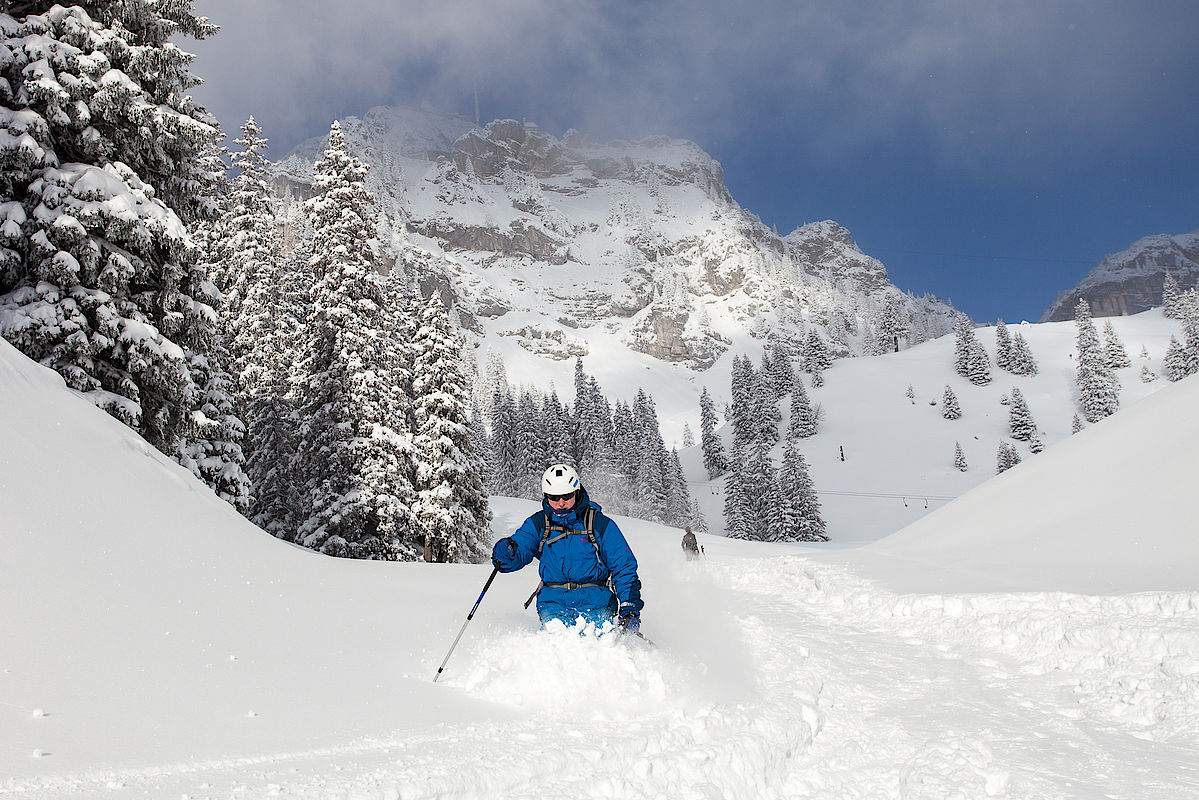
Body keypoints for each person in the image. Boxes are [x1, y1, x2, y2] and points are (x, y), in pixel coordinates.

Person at [492, 464, 644, 632]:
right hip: (553, 604)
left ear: (576, 492)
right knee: (555, 644)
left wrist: (629, 607)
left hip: (596, 603)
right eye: (554, 497)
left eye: (566, 496)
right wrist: (506, 554)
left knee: (597, 646)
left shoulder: (599, 524)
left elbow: (623, 566)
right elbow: (520, 548)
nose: (561, 503)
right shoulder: (540, 523)